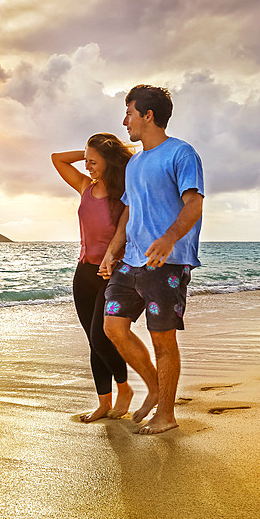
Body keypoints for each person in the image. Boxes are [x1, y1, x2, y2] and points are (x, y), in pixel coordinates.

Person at [99, 85, 204, 435]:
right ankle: (155, 389)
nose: (124, 120)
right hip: (130, 262)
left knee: (162, 339)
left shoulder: (182, 153)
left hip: (167, 263)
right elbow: (128, 214)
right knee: (113, 327)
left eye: (129, 112)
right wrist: (113, 252)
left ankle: (167, 414)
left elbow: (194, 204)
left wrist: (168, 239)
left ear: (148, 115)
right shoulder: (136, 163)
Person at [51, 133, 135, 422]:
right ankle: (103, 403)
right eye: (86, 161)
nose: (87, 167)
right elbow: (56, 159)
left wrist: (108, 153)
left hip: (113, 273)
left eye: (93, 162)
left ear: (109, 162)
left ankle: (125, 390)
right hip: (84, 271)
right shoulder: (86, 186)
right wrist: (88, 151)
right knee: (92, 340)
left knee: (102, 337)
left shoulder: (124, 194)